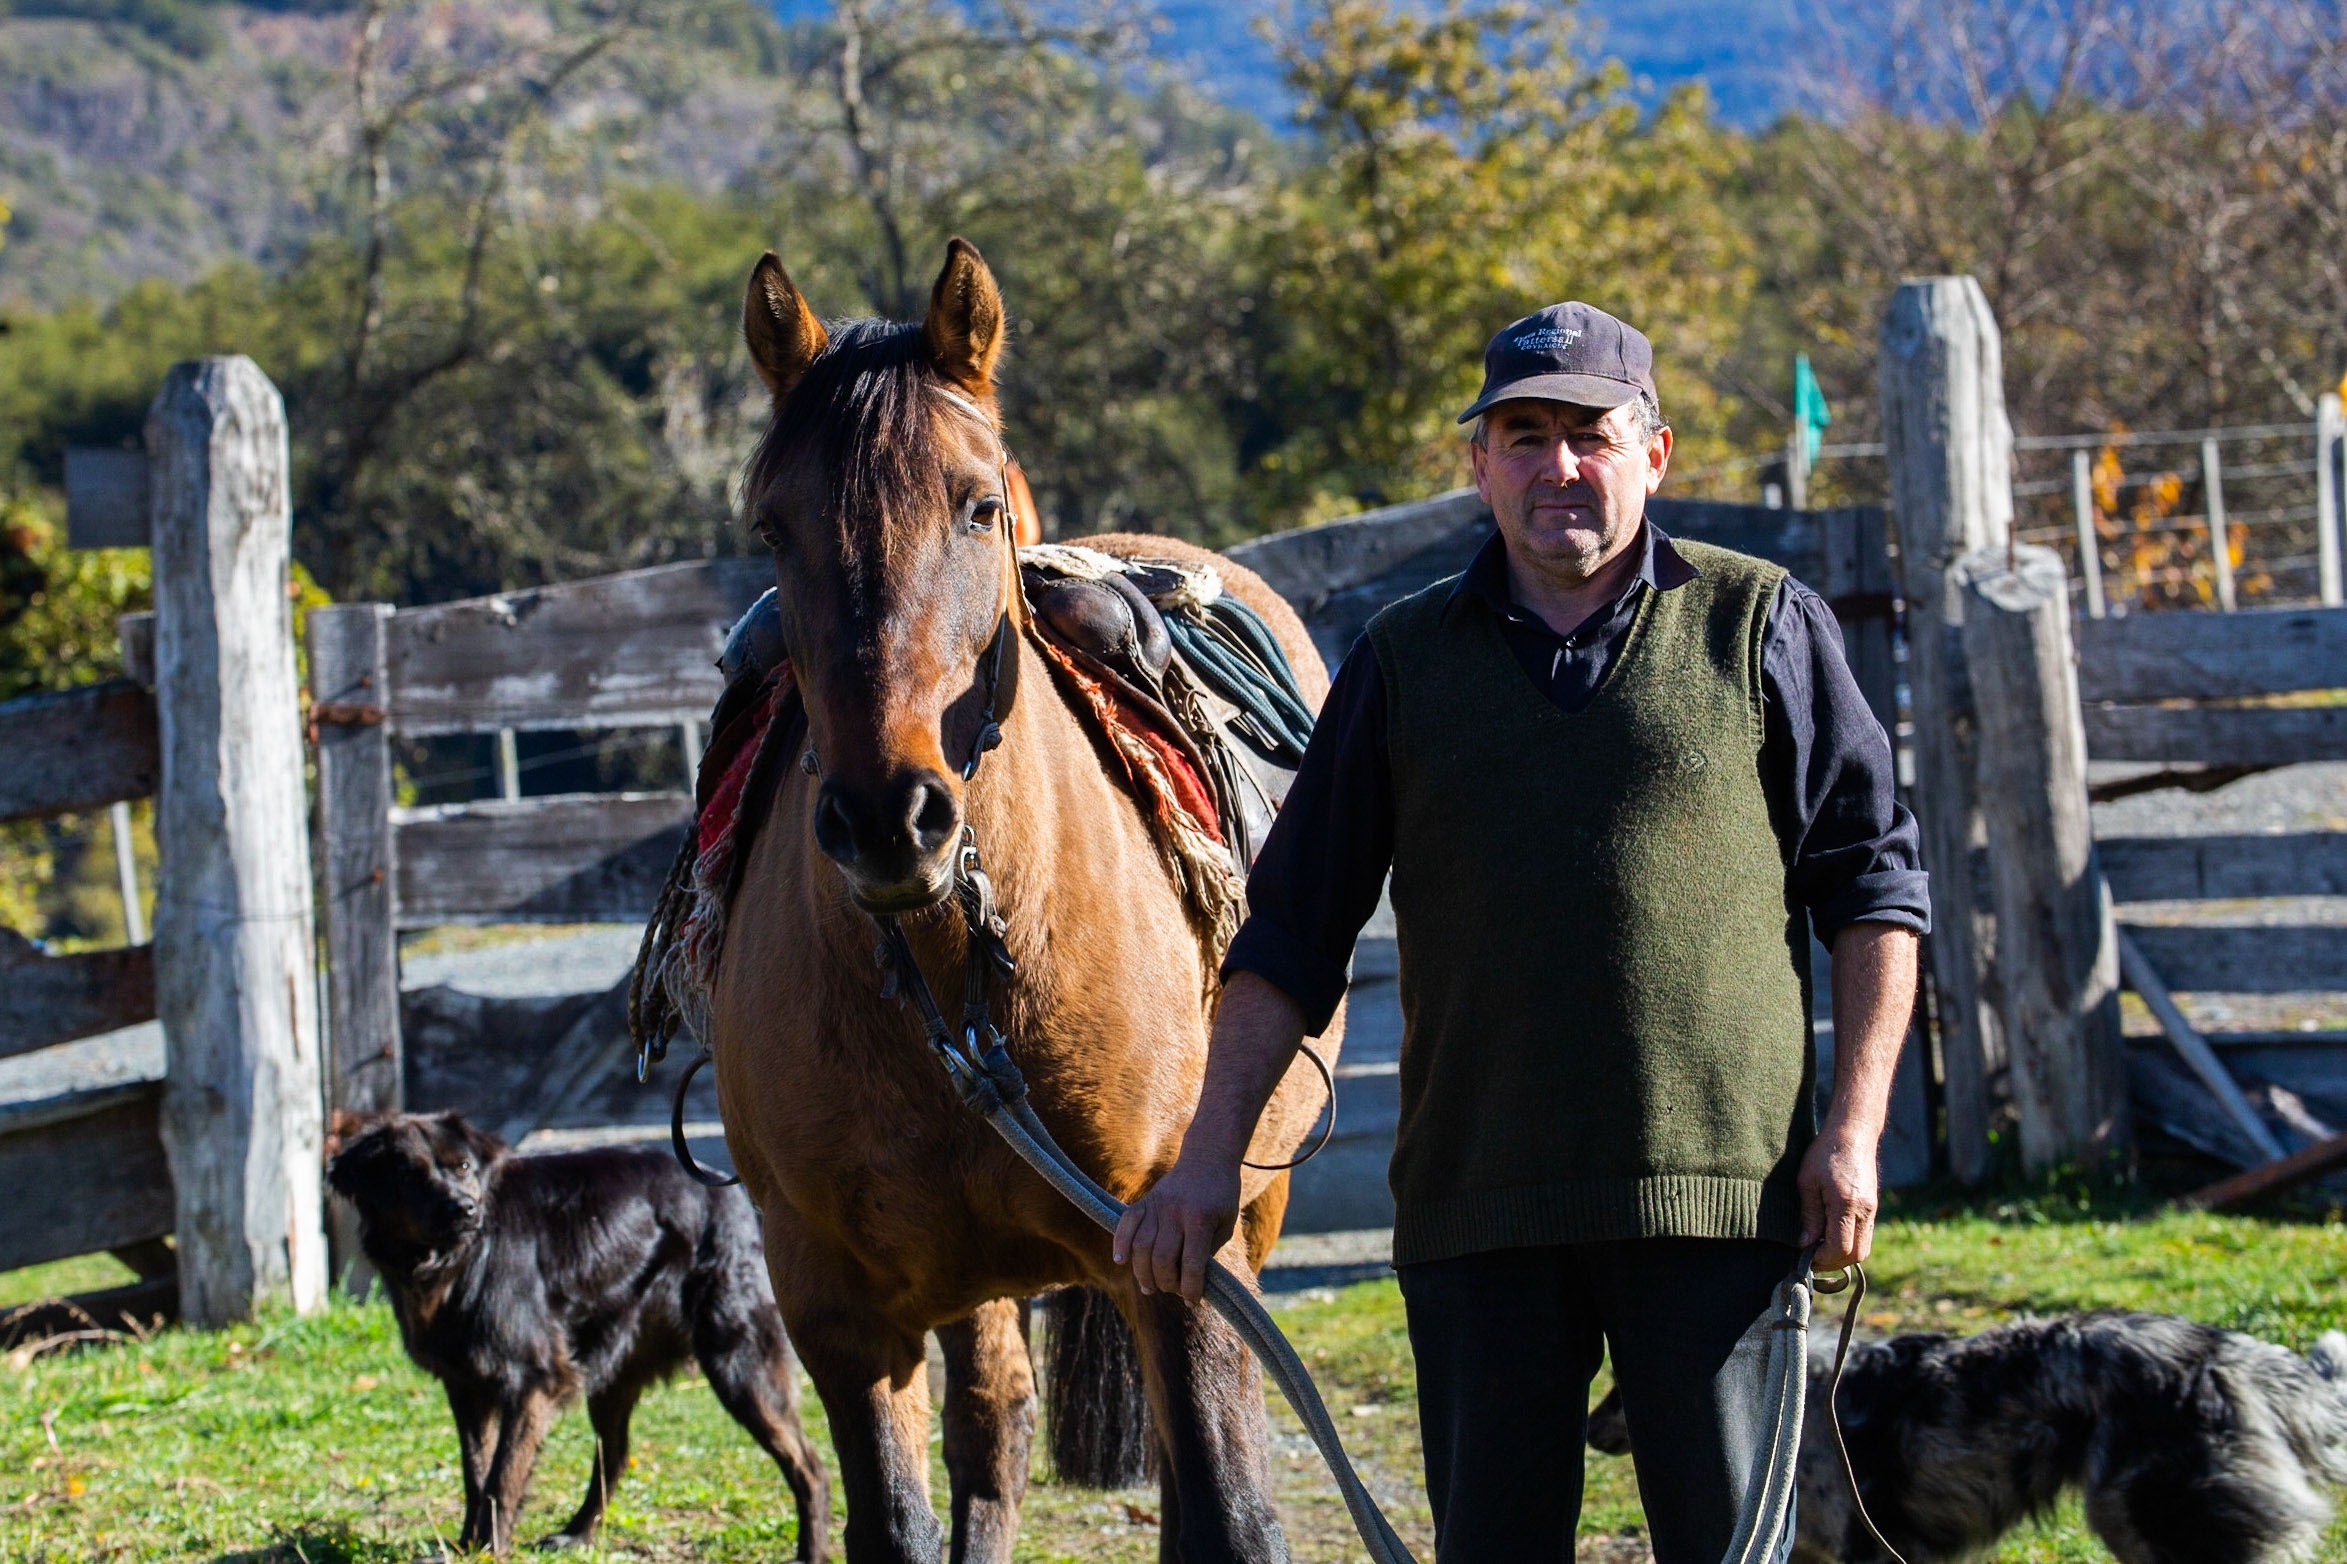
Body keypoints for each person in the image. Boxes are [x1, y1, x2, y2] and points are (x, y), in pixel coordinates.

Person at [1113, 301, 1929, 1562]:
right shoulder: (1401, 661)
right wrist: (1209, 1160)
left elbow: (1874, 889)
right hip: (1478, 1213)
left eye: (1590, 436)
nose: (1559, 466)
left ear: (1651, 453)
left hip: (1715, 1205)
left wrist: (1855, 1132)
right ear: (1478, 462)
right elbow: (1286, 935)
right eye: (1525, 434)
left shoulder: (1757, 626)